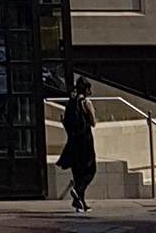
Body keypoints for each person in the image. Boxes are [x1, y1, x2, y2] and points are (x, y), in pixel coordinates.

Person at [57, 75, 97, 212]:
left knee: (77, 173)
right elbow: (93, 123)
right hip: (85, 141)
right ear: (86, 89)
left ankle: (80, 202)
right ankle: (78, 190)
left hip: (72, 142)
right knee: (90, 170)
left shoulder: (71, 102)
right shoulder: (86, 103)